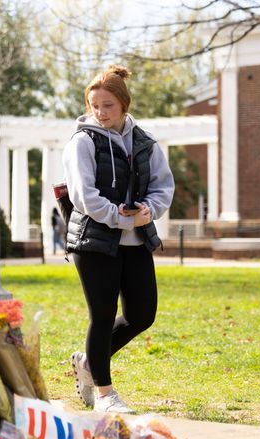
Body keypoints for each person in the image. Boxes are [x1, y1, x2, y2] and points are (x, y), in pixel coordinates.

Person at [62, 65, 174, 414]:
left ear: (124, 104)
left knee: (143, 314)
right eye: (95, 105)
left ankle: (89, 362)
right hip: (94, 240)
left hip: (135, 239)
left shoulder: (145, 141)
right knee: (103, 313)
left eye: (108, 105)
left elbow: (163, 186)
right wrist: (116, 216)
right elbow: (84, 196)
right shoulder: (83, 141)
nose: (100, 112)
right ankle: (106, 395)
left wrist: (148, 212)